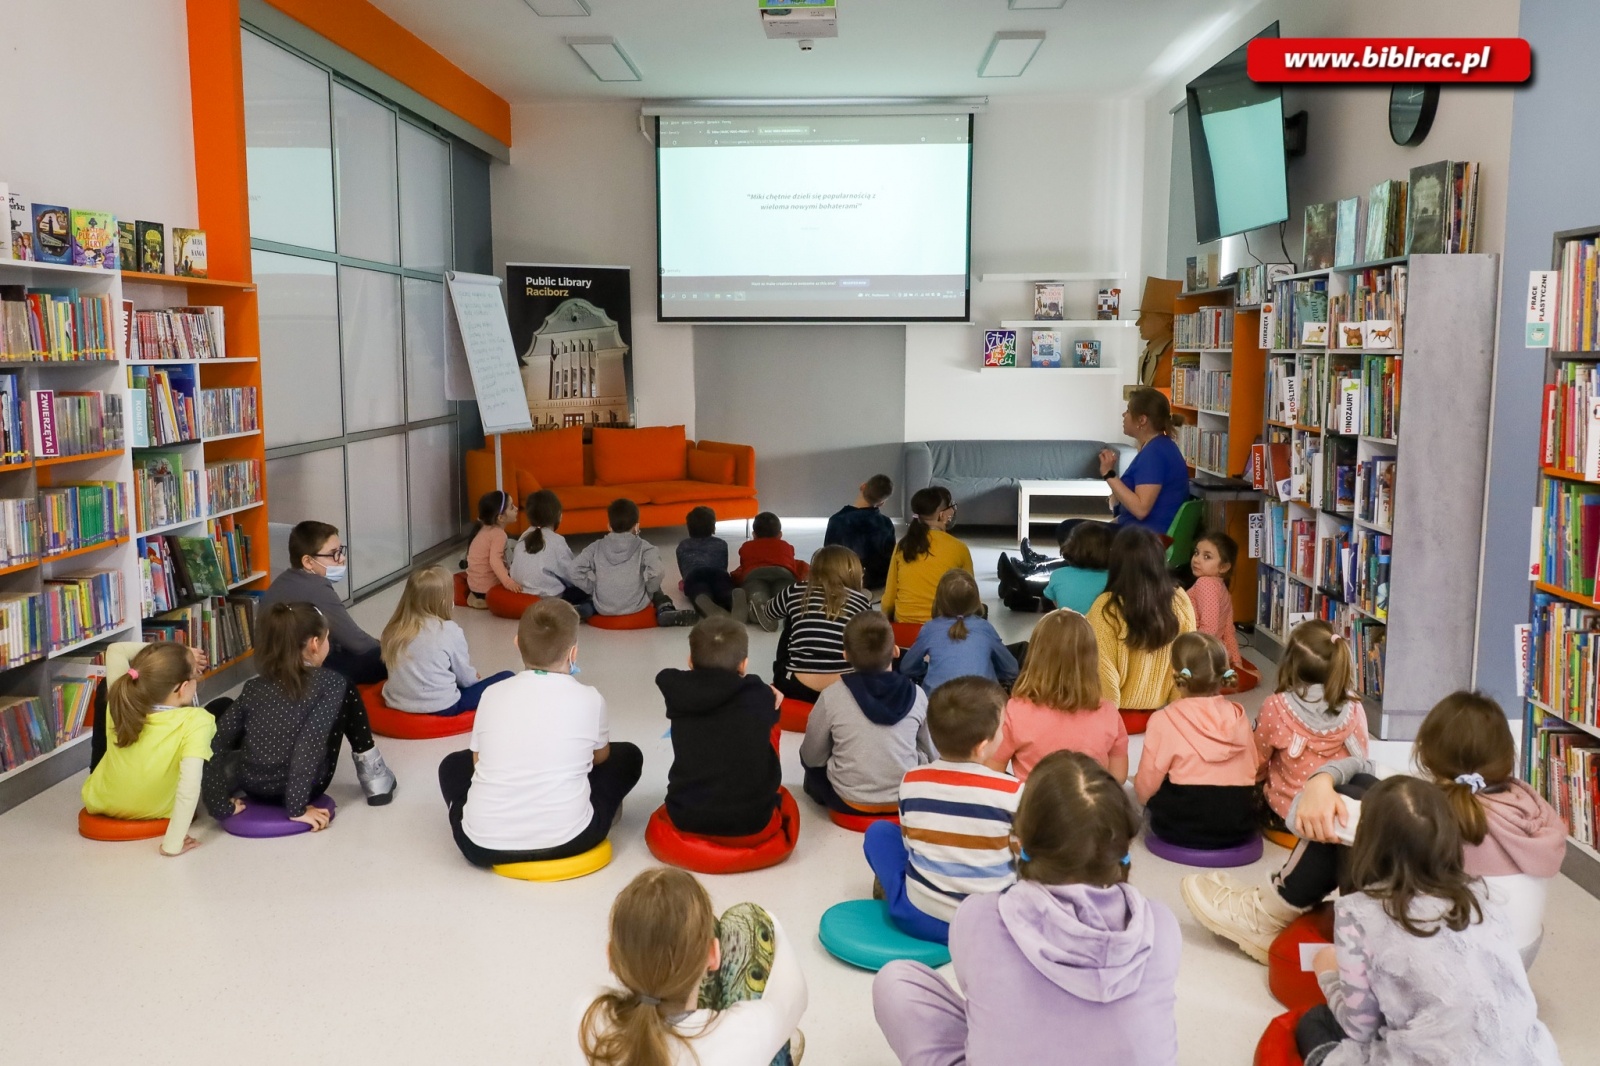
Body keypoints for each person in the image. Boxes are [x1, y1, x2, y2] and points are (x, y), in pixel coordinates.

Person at [1182, 692, 1565, 969]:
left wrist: (1319, 786)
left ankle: (1268, 912)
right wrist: (1325, 779)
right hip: (1516, 956)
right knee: (1364, 784)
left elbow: (1301, 819)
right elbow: (1370, 768)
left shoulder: (1433, 817)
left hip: (1448, 961)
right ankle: (1274, 904)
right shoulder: (1521, 801)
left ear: (1428, 754)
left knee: (1347, 800)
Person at [873, 751, 1180, 1066]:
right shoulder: (1162, 925)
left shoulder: (980, 915)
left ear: (1020, 843)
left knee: (896, 981)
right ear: (1123, 847)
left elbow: (976, 990)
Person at [1293, 776, 1560, 1066]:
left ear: (1367, 842)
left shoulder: (1356, 913)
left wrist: (1328, 973)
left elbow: (1361, 1028)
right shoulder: (1484, 895)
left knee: (1314, 1023)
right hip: (1528, 1056)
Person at [437, 599, 643, 867]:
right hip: (571, 839)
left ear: (516, 643)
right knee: (628, 755)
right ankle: (592, 810)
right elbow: (601, 758)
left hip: (480, 847)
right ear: (573, 654)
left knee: (452, 765)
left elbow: (478, 762)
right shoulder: (590, 698)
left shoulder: (491, 694)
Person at [579, 868, 808, 1066]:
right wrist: (767, 919)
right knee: (747, 919)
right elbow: (795, 996)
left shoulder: (589, 1017)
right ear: (713, 955)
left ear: (611, 957)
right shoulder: (749, 1030)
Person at [203, 603, 398, 822]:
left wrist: (219, 806)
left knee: (230, 714)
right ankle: (375, 776)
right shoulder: (331, 683)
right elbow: (310, 742)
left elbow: (214, 743)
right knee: (346, 688)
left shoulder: (253, 686)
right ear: (315, 644)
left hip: (253, 789)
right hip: (304, 791)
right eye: (327, 639)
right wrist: (297, 808)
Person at [865, 676, 1021, 943]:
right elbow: (1021, 859)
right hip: (988, 926)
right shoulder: (1015, 792)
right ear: (983, 746)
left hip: (917, 918)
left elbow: (910, 843)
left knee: (878, 833)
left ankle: (902, 888)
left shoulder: (912, 780)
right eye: (1002, 727)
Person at [80, 643, 215, 857]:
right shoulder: (197, 721)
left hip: (102, 802)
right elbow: (189, 788)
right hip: (158, 809)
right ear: (182, 687)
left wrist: (178, 651)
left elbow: (116, 649)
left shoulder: (119, 703)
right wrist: (172, 844)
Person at [657, 615, 783, 837]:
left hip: (686, 814)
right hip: (752, 820)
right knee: (770, 728)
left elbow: (665, 676)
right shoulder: (759, 693)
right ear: (743, 664)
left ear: (690, 661)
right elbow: (769, 713)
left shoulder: (677, 689)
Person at [799, 611, 934, 816]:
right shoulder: (918, 695)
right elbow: (933, 754)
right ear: (896, 651)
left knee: (812, 768)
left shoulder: (832, 695)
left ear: (845, 655)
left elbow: (811, 756)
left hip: (847, 800)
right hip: (905, 796)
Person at [1133, 632, 1258, 849]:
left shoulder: (1163, 719)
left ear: (1175, 673)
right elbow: (1253, 767)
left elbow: (1146, 787)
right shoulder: (1240, 716)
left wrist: (1141, 797)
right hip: (1240, 824)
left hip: (1180, 826)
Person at [986, 609, 1126, 783]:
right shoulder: (1109, 713)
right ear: (1092, 660)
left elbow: (993, 771)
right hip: (1090, 804)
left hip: (1036, 805)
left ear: (1035, 656)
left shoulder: (1015, 711)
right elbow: (1118, 777)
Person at [1254, 620, 1367, 833]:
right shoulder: (1354, 706)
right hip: (1339, 815)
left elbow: (1257, 760)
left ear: (1290, 665)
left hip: (1290, 814)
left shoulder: (1275, 705)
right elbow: (1361, 761)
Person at [1086, 526, 1196, 730]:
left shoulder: (1106, 606)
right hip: (1161, 711)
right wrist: (1178, 708)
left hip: (1117, 716)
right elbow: (1187, 659)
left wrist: (1106, 723)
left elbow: (1103, 670)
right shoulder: (1180, 598)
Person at [261, 520, 386, 684]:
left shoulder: (282, 581)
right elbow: (357, 643)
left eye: (341, 551)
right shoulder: (317, 588)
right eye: (333, 553)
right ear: (308, 562)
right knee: (386, 659)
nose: (341, 558)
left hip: (272, 669)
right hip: (302, 673)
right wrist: (385, 649)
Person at [380, 566, 515, 715]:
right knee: (507, 676)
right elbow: (465, 679)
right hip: (442, 707)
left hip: (397, 703)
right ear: (444, 600)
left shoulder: (394, 628)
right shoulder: (449, 630)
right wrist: (473, 676)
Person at [756, 545, 872, 703]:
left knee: (791, 618)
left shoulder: (796, 590)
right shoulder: (862, 602)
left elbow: (769, 612)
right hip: (844, 690)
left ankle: (795, 665)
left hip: (795, 687)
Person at [573, 498, 696, 627]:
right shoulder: (644, 547)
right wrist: (650, 590)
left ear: (609, 526)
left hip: (604, 607)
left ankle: (586, 609)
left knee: (597, 594)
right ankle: (665, 610)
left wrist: (592, 588)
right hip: (636, 605)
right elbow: (658, 571)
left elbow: (574, 569)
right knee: (655, 587)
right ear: (636, 526)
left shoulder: (595, 547)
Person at [899, 569, 1018, 694]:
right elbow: (1012, 669)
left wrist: (926, 669)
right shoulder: (985, 627)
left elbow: (907, 667)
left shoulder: (929, 629)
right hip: (983, 704)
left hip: (937, 705)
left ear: (939, 601)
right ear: (976, 600)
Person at [1096, 387, 1190, 534]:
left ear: (1142, 420)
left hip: (1145, 539)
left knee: (1069, 529)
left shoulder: (1155, 453)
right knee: (1079, 531)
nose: (1123, 415)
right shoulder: (1158, 446)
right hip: (1138, 531)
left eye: (1127, 411)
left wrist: (1109, 474)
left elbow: (1141, 509)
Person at [882, 486, 973, 626]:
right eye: (951, 506)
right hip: (943, 630)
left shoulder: (903, 545)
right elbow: (970, 598)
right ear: (941, 515)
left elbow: (888, 600)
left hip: (904, 628)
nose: (953, 510)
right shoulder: (959, 548)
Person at [998, 519, 1113, 615]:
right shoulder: (1113, 578)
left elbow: (1056, 603)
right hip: (1098, 630)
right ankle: (1023, 585)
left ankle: (1022, 586)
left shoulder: (1059, 574)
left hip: (1067, 626)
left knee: (1057, 592)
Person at [509, 489, 593, 618]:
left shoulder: (524, 536)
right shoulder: (557, 541)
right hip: (549, 597)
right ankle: (583, 609)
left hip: (523, 592)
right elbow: (571, 574)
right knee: (589, 590)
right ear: (558, 515)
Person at [733, 511, 809, 623]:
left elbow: (744, 566)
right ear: (780, 535)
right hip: (783, 573)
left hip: (755, 573)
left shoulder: (746, 546)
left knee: (755, 587)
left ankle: (758, 600)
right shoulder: (786, 546)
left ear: (754, 535)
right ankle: (783, 605)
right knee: (784, 590)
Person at [825, 474, 896, 589]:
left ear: (862, 486)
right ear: (882, 503)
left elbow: (829, 555)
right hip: (879, 582)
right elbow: (890, 556)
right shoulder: (886, 523)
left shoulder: (837, 520)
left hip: (847, 581)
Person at [1187, 532, 1244, 670]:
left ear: (1223, 567)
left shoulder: (1205, 583)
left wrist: (1191, 658)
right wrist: (1237, 663)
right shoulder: (1222, 588)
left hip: (1200, 652)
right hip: (1216, 651)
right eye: (1196, 553)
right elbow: (1228, 631)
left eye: (1207, 557)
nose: (1196, 559)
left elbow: (1208, 629)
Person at [677, 506, 736, 619]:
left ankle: (704, 600)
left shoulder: (683, 545)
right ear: (713, 527)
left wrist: (685, 580)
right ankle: (730, 599)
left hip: (694, 575)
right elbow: (723, 566)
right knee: (723, 586)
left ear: (689, 528)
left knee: (698, 589)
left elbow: (683, 569)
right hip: (718, 573)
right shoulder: (721, 544)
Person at [463, 489, 520, 607]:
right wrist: (509, 583)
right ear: (500, 518)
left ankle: (476, 597)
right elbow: (495, 561)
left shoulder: (482, 528)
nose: (516, 509)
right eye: (511, 507)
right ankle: (487, 600)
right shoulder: (498, 534)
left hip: (474, 587)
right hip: (487, 589)